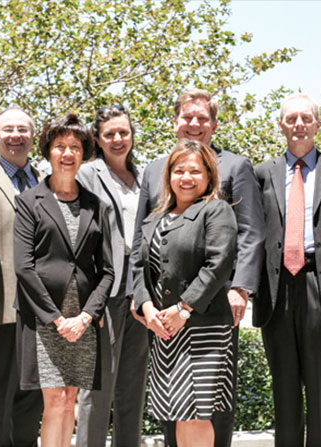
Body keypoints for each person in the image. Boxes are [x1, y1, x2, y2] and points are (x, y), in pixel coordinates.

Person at [129, 87, 265, 446]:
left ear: (214, 125)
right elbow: (139, 246)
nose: (194, 124)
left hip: (207, 308)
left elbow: (248, 235)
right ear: (176, 122)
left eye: (202, 118)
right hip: (161, 318)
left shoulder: (235, 167)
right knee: (174, 407)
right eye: (187, 117)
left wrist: (240, 288)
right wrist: (141, 302)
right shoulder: (155, 169)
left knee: (206, 405)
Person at [13, 113, 114, 447]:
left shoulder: (96, 205)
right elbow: (24, 267)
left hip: (83, 317)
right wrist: (56, 319)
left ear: (83, 153)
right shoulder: (29, 202)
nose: (67, 153)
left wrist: (87, 316)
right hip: (46, 316)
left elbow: (108, 270)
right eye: (60, 146)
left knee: (71, 396)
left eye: (74, 146)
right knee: (54, 399)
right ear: (48, 152)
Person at [133, 139, 237, 447]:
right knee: (177, 411)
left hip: (203, 328)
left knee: (196, 413)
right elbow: (138, 267)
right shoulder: (154, 218)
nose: (186, 177)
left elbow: (218, 264)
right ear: (168, 176)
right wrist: (147, 307)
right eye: (179, 170)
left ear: (208, 176)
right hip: (165, 330)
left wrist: (183, 309)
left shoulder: (216, 211)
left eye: (194, 170)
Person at [254, 93, 321, 446]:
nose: (299, 125)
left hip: (320, 284)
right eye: (291, 119)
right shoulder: (261, 173)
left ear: (318, 125)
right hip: (276, 289)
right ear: (281, 126)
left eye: (306, 118)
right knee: (284, 384)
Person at [76, 105, 148, 447]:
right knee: (98, 385)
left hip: (142, 289)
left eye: (124, 132)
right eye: (110, 134)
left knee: (133, 384)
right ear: (98, 139)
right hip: (106, 287)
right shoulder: (88, 174)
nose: (118, 139)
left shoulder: (146, 176)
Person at [0, 107, 45, 447]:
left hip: (40, 306)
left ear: (32, 137)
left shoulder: (44, 179)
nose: (16, 136)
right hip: (1, 303)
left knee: (31, 393)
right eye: (8, 129)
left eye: (23, 129)